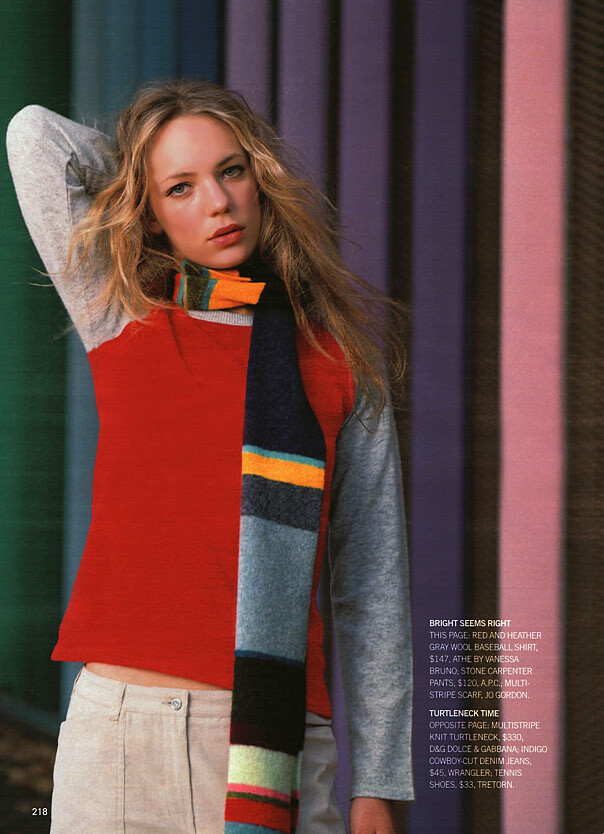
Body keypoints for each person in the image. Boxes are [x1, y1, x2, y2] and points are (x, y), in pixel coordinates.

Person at [6, 78, 413, 834]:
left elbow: (371, 582)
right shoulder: (121, 308)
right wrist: (140, 174)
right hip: (117, 738)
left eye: (232, 171)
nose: (219, 203)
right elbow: (34, 137)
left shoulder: (339, 359)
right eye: (181, 188)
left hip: (274, 746)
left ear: (262, 178)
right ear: (148, 210)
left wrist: (380, 785)